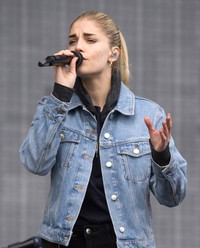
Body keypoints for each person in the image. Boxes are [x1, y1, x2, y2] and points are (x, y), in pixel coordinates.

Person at [19, 10, 187, 248]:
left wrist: (162, 156)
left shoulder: (148, 115)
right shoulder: (53, 108)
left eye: (90, 40)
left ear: (113, 54)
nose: (78, 47)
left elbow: (173, 197)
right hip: (64, 242)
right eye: (72, 40)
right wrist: (60, 95)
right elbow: (34, 163)